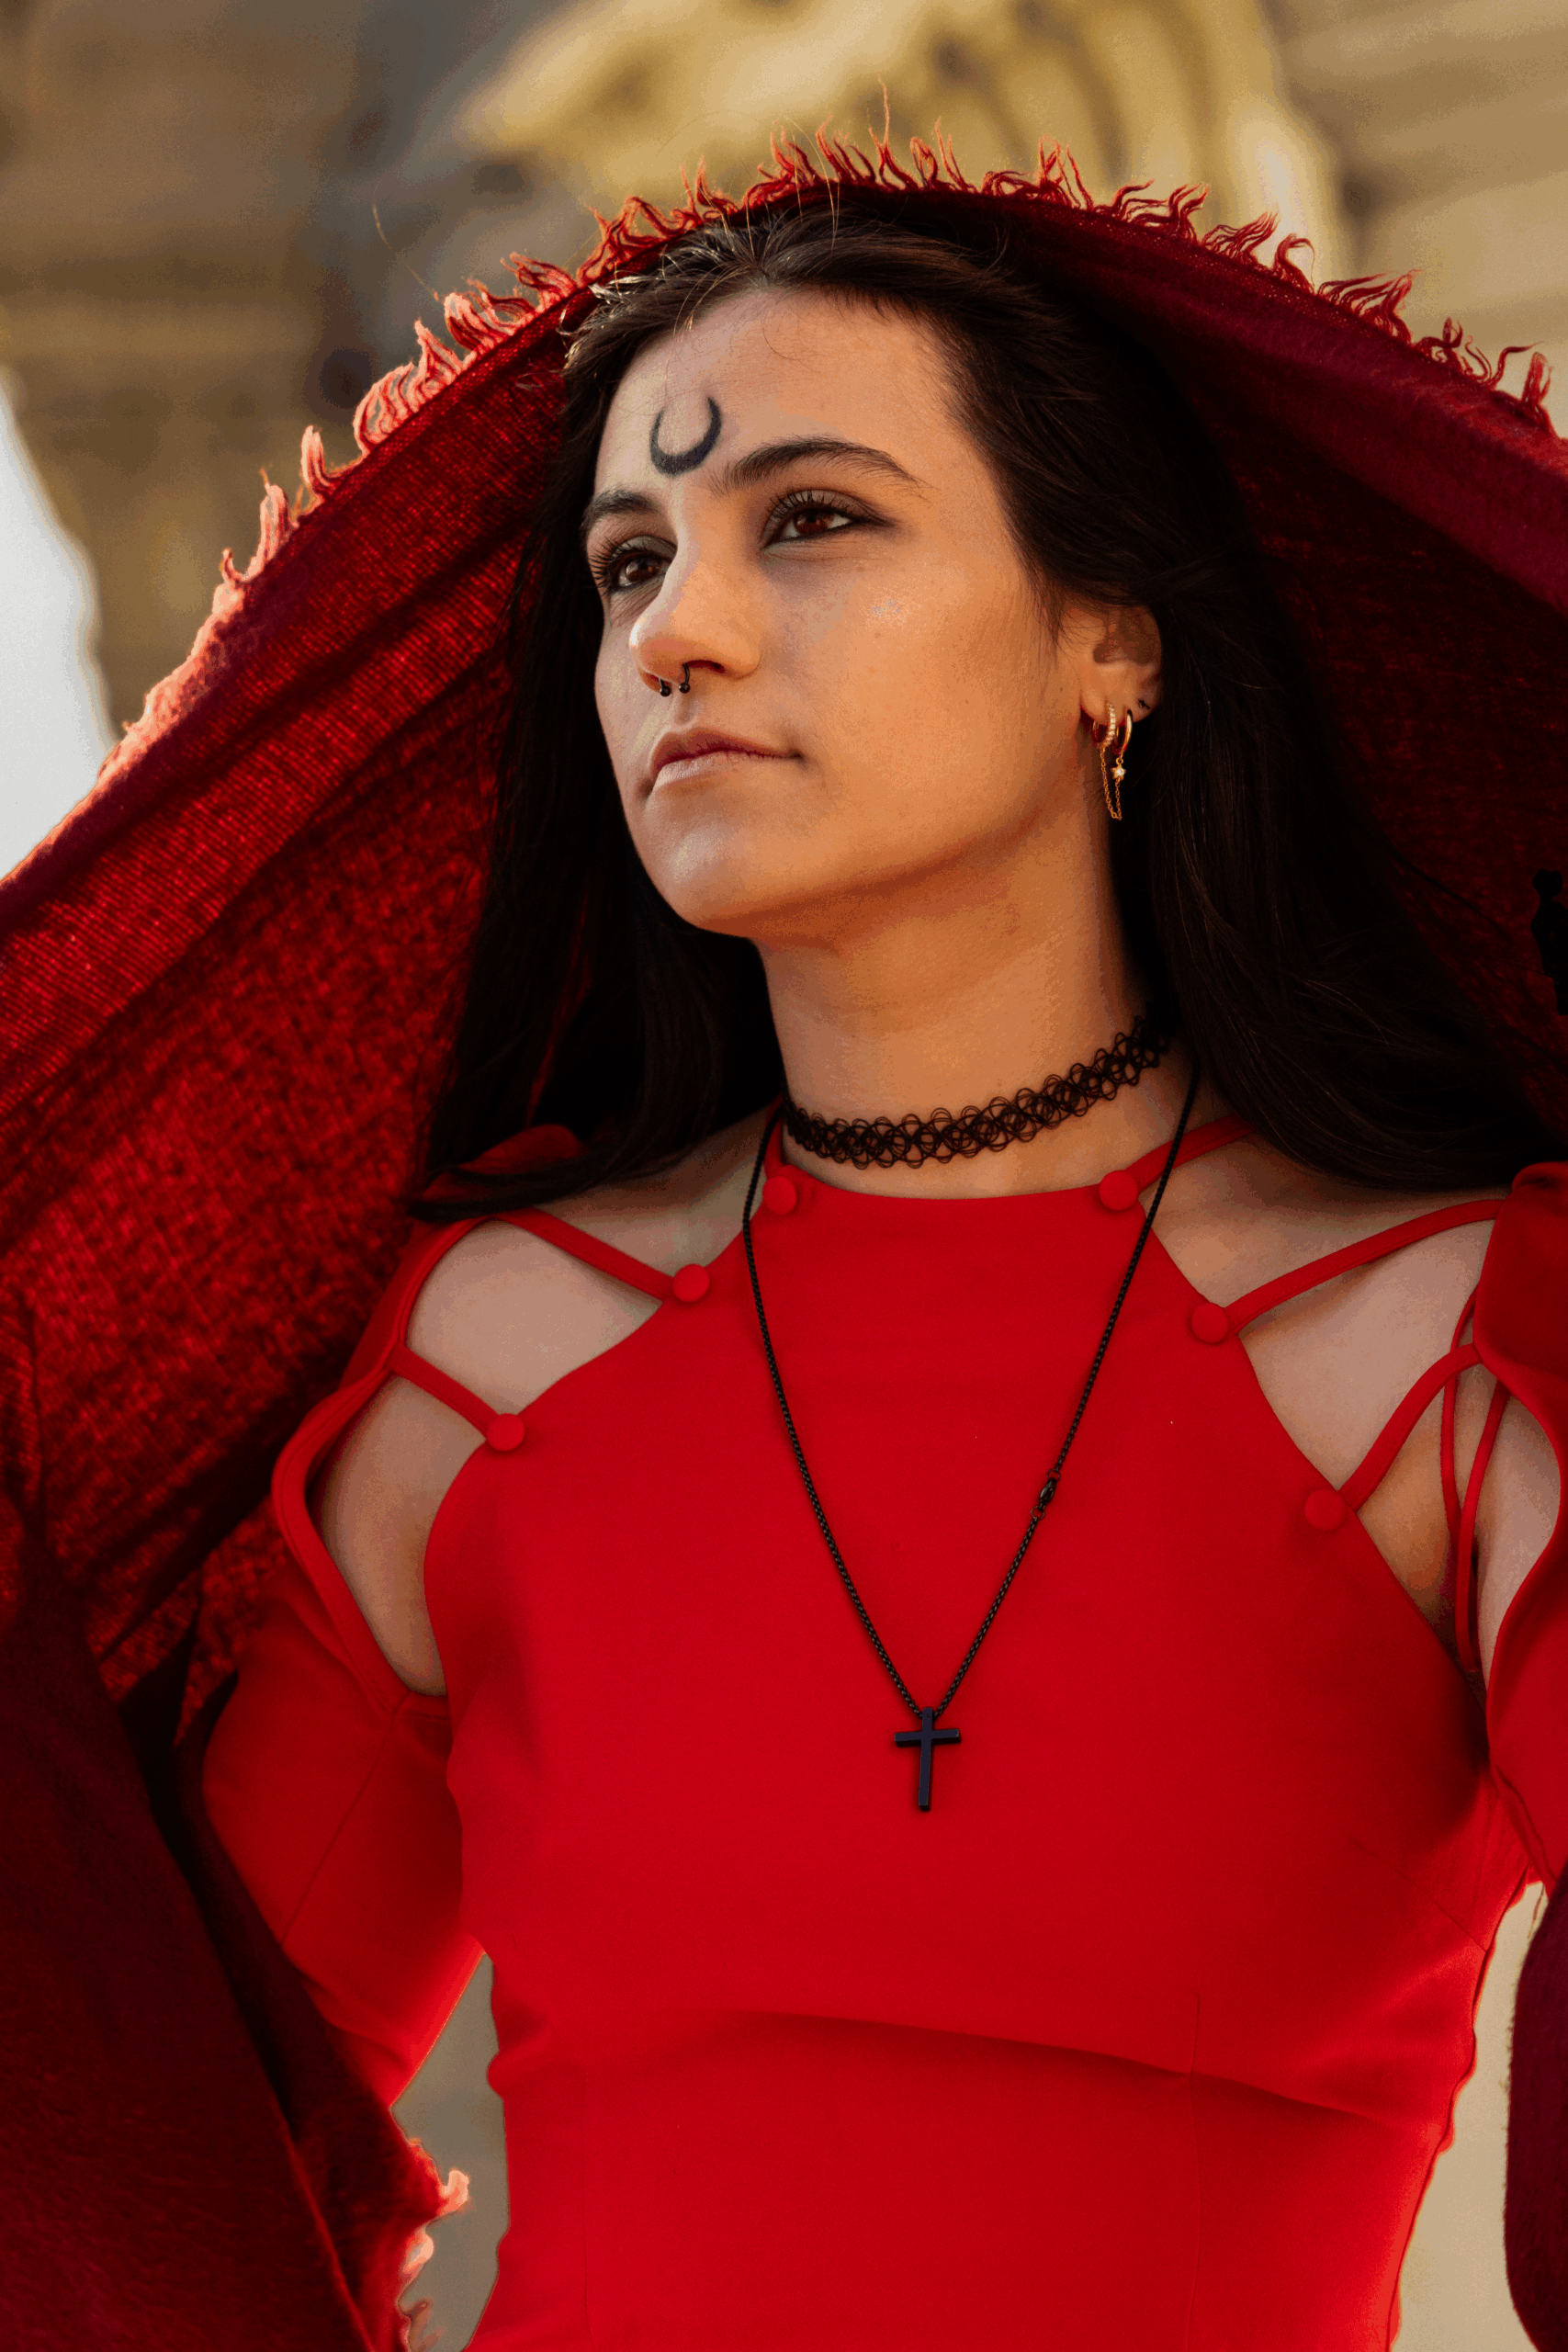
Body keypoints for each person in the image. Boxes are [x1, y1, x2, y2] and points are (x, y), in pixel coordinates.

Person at [3, 142, 1565, 2352]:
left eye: (809, 519)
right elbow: (176, 2150)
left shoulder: (1441, 1357)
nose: (674, 629)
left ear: (1106, 639)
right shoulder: (493, 1356)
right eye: (627, 558)